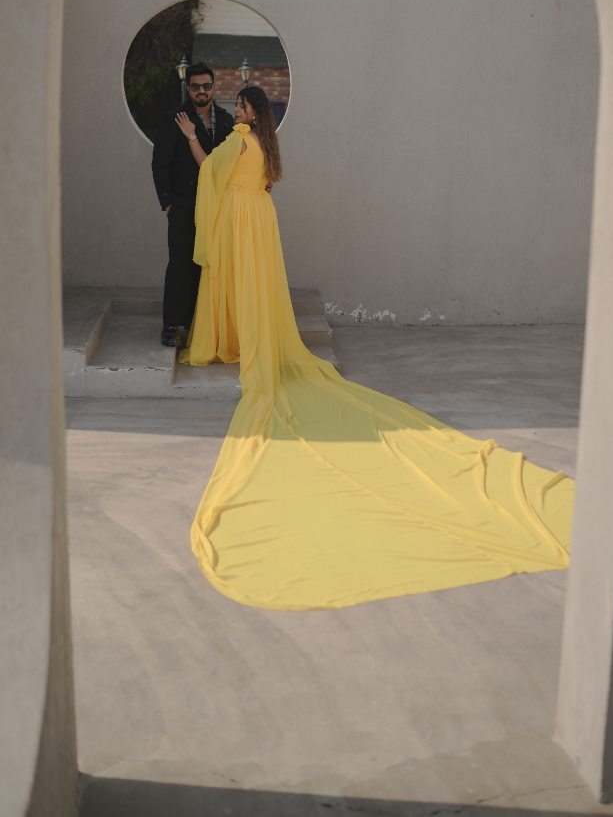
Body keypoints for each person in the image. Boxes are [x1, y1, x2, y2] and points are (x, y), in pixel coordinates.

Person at [176, 86, 575, 612]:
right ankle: (250, 338)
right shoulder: (268, 144)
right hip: (262, 219)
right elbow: (264, 183)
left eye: (242, 106)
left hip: (241, 219)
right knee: (258, 288)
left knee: (238, 285)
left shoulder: (237, 140)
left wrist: (191, 138)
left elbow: (209, 172)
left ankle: (232, 340)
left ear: (251, 111)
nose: (238, 111)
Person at [151, 63, 233, 346]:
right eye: (196, 86)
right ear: (189, 89)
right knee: (180, 264)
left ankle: (197, 324)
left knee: (206, 264)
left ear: (214, 87)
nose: (201, 91)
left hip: (215, 207)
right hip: (184, 205)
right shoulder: (175, 119)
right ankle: (172, 325)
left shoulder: (226, 120)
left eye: (206, 86)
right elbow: (160, 164)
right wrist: (167, 204)